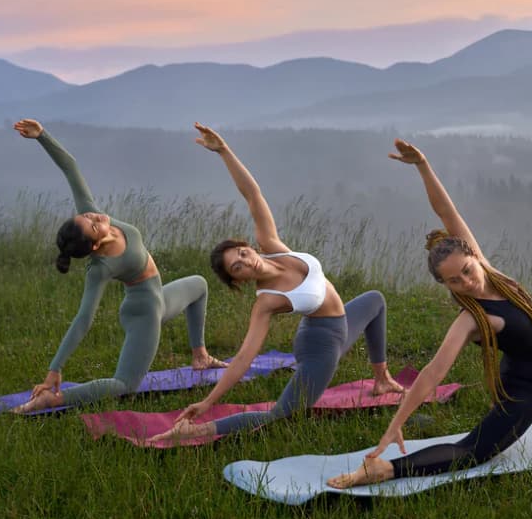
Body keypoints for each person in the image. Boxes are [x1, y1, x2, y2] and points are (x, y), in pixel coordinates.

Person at [328, 139, 532, 488]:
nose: (468, 282)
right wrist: (396, 425)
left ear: (472, 256)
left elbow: (446, 213)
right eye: (455, 281)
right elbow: (432, 373)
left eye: (468, 270)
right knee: (473, 452)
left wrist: (422, 165)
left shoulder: (485, 268)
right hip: (525, 389)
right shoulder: (471, 319)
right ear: (446, 285)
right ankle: (384, 470)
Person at [147, 123, 404, 443]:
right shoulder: (266, 301)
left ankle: (381, 379)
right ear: (237, 280)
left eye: (242, 253)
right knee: (283, 413)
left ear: (249, 246)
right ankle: (192, 431)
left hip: (342, 322)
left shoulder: (274, 247)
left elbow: (252, 194)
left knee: (376, 299)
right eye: (237, 267)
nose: (245, 261)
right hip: (320, 345)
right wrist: (208, 402)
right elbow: (242, 358)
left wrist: (224, 151)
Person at [11, 119, 226, 413]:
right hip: (144, 312)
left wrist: (41, 136)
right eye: (93, 225)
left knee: (199, 284)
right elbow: (83, 320)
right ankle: (55, 399)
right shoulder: (100, 268)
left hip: (160, 297)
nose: (96, 217)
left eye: (88, 217)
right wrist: (54, 370)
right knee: (125, 384)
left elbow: (70, 167)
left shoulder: (94, 215)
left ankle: (200, 356)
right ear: (95, 246)